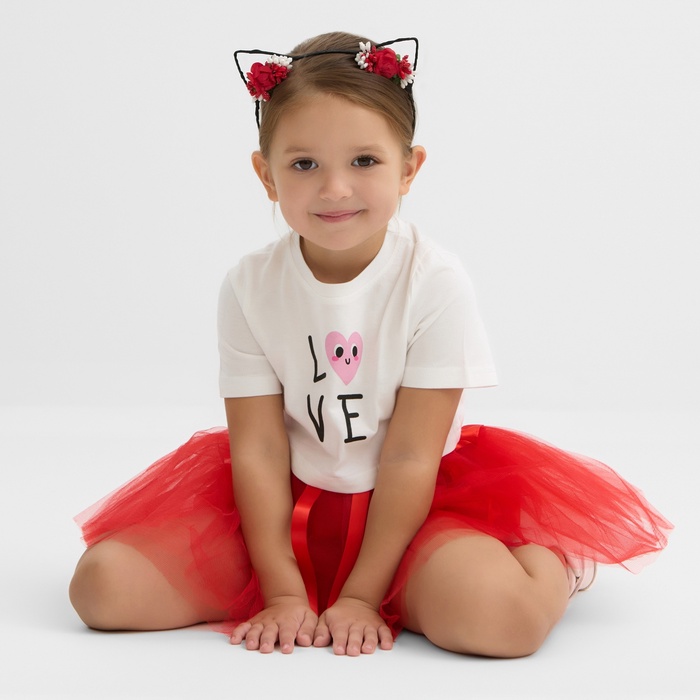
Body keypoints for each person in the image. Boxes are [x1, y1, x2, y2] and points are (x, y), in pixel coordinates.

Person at [69, 31, 672, 658]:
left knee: (503, 621)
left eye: (364, 161)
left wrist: (361, 595)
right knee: (102, 588)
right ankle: (309, 587)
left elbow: (411, 456)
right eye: (304, 164)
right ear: (266, 175)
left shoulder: (433, 282)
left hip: (414, 509)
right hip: (283, 504)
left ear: (408, 169)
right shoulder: (250, 285)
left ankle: (550, 561)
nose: (335, 188)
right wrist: (281, 588)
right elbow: (259, 449)